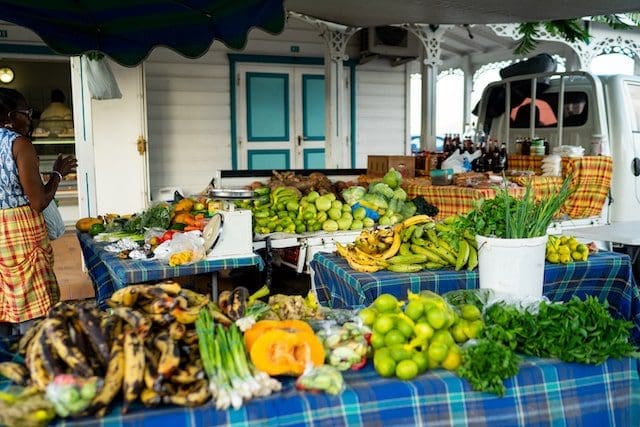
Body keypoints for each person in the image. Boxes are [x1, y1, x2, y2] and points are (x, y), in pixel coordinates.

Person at [0, 88, 77, 337]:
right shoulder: (19, 144)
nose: (30, 119)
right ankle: (34, 354)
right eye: (27, 112)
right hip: (20, 232)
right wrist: (57, 175)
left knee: (6, 298)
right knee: (31, 302)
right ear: (11, 116)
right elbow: (38, 201)